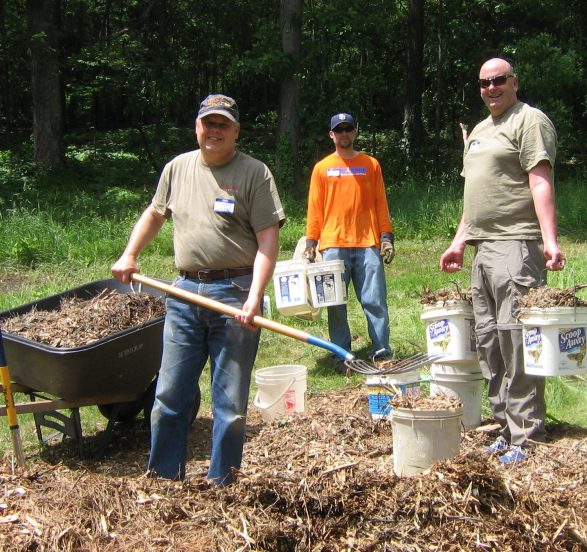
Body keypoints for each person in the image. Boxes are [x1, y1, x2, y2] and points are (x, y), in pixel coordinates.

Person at [112, 94, 285, 485]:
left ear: (236, 131)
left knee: (230, 403)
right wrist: (129, 255)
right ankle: (163, 479)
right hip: (185, 293)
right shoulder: (177, 168)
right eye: (208, 123)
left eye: (223, 124)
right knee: (170, 395)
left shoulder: (255, 173)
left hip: (235, 292)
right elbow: (155, 214)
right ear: (197, 127)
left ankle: (222, 482)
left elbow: (268, 244)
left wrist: (254, 297)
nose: (215, 130)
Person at [440, 58, 565, 463]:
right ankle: (504, 427)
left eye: (498, 80)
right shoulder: (478, 131)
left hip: (517, 245)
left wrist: (549, 239)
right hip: (482, 248)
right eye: (483, 82)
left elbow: (540, 179)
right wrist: (459, 241)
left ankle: (526, 435)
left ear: (514, 81)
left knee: (516, 339)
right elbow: (474, 197)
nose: (491, 88)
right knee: (489, 341)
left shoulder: (529, 121)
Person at [304, 112, 395, 372]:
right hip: (332, 246)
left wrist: (386, 237)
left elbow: (380, 204)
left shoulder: (371, 164)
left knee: (375, 301)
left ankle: (381, 353)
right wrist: (311, 242)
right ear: (331, 134)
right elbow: (315, 208)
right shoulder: (322, 168)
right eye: (339, 130)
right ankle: (342, 356)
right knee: (335, 305)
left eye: (348, 129)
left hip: (367, 244)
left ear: (355, 131)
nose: (344, 134)